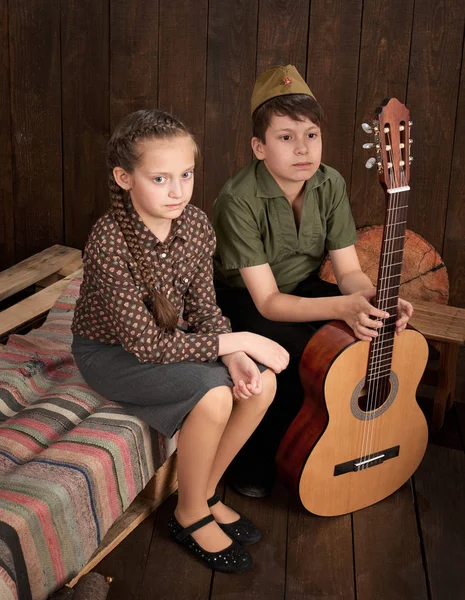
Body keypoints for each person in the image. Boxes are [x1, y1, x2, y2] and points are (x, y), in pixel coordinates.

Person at [71, 109, 290, 574]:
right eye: (160, 178)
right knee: (212, 397)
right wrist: (240, 341)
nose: (177, 190)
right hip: (112, 354)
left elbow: (204, 311)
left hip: (173, 342)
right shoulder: (108, 240)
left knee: (261, 384)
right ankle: (188, 514)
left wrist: (235, 357)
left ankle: (204, 493)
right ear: (124, 178)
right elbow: (147, 346)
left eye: (186, 174)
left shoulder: (193, 225)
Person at [213, 65, 413, 498]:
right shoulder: (238, 198)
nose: (302, 148)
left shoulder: (330, 183)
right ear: (259, 147)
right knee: (294, 357)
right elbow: (266, 303)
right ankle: (254, 460)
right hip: (240, 299)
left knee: (384, 336)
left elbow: (347, 274)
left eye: (311, 135)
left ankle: (353, 442)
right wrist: (342, 309)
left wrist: (374, 300)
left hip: (302, 287)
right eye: (285, 137)